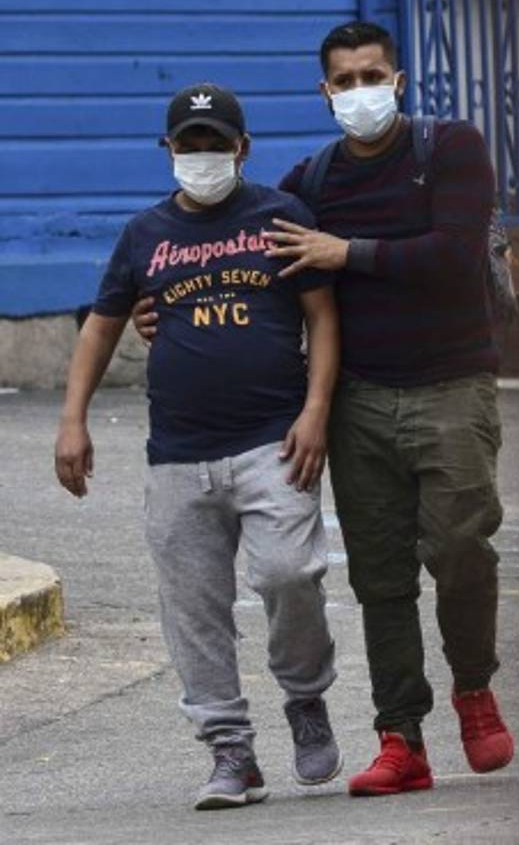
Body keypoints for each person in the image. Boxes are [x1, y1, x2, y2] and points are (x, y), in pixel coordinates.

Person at [134, 22, 515, 798]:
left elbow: (453, 255)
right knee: (380, 578)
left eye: (370, 75)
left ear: (398, 81)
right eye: (342, 82)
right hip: (359, 399)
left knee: (459, 549)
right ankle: (400, 737)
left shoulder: (450, 149)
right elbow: (243, 253)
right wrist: (160, 308)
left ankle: (473, 689)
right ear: (324, 92)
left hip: (451, 386)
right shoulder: (315, 182)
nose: (357, 92)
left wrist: (350, 254)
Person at [54, 83, 342, 810]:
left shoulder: (279, 215)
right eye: (190, 143)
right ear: (169, 150)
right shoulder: (145, 234)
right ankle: (229, 751)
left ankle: (305, 698)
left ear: (242, 149)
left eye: (217, 143)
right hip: (177, 453)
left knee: (288, 575)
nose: (203, 156)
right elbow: (101, 325)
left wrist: (315, 411)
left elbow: (322, 315)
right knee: (193, 608)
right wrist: (72, 419)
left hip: (272, 442)